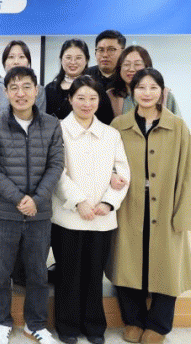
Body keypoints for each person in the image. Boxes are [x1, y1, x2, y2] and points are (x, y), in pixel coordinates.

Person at [0, 66, 64, 344]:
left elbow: (56, 165)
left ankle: (35, 324)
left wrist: (36, 200)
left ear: (36, 91)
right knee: (1, 272)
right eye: (14, 87)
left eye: (26, 86)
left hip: (39, 213)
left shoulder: (51, 124)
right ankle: (2, 321)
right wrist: (18, 198)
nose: (20, 93)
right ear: (5, 92)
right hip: (4, 212)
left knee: (38, 273)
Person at [108, 68, 191, 344]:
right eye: (141, 87)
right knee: (127, 263)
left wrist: (184, 212)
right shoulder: (119, 125)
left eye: (153, 87)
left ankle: (159, 325)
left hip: (166, 205)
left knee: (166, 266)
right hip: (128, 204)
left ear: (162, 92)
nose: (146, 93)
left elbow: (188, 172)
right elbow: (107, 165)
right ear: (132, 91)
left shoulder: (177, 126)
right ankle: (133, 320)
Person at [51, 75, 130, 344]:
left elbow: (122, 172)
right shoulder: (58, 130)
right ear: (70, 99)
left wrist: (109, 202)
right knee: (68, 274)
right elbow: (57, 172)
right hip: (68, 217)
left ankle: (94, 326)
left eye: (93, 98)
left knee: (95, 274)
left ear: (100, 101)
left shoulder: (111, 134)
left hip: (101, 217)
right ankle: (67, 325)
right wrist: (78, 201)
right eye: (81, 98)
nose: (87, 103)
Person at [45, 39, 113, 124]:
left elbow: (107, 121)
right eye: (68, 57)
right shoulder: (50, 89)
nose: (73, 62)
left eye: (78, 58)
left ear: (86, 60)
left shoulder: (97, 87)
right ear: (61, 59)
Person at [106, 45, 179, 117]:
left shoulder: (165, 95)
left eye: (137, 64)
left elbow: (178, 123)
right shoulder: (110, 96)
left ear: (147, 67)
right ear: (119, 68)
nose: (131, 69)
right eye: (126, 64)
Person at [0, 40, 46, 117]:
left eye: (21, 57)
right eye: (11, 57)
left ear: (28, 62)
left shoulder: (39, 90)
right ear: (4, 63)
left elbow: (40, 120)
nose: (16, 62)